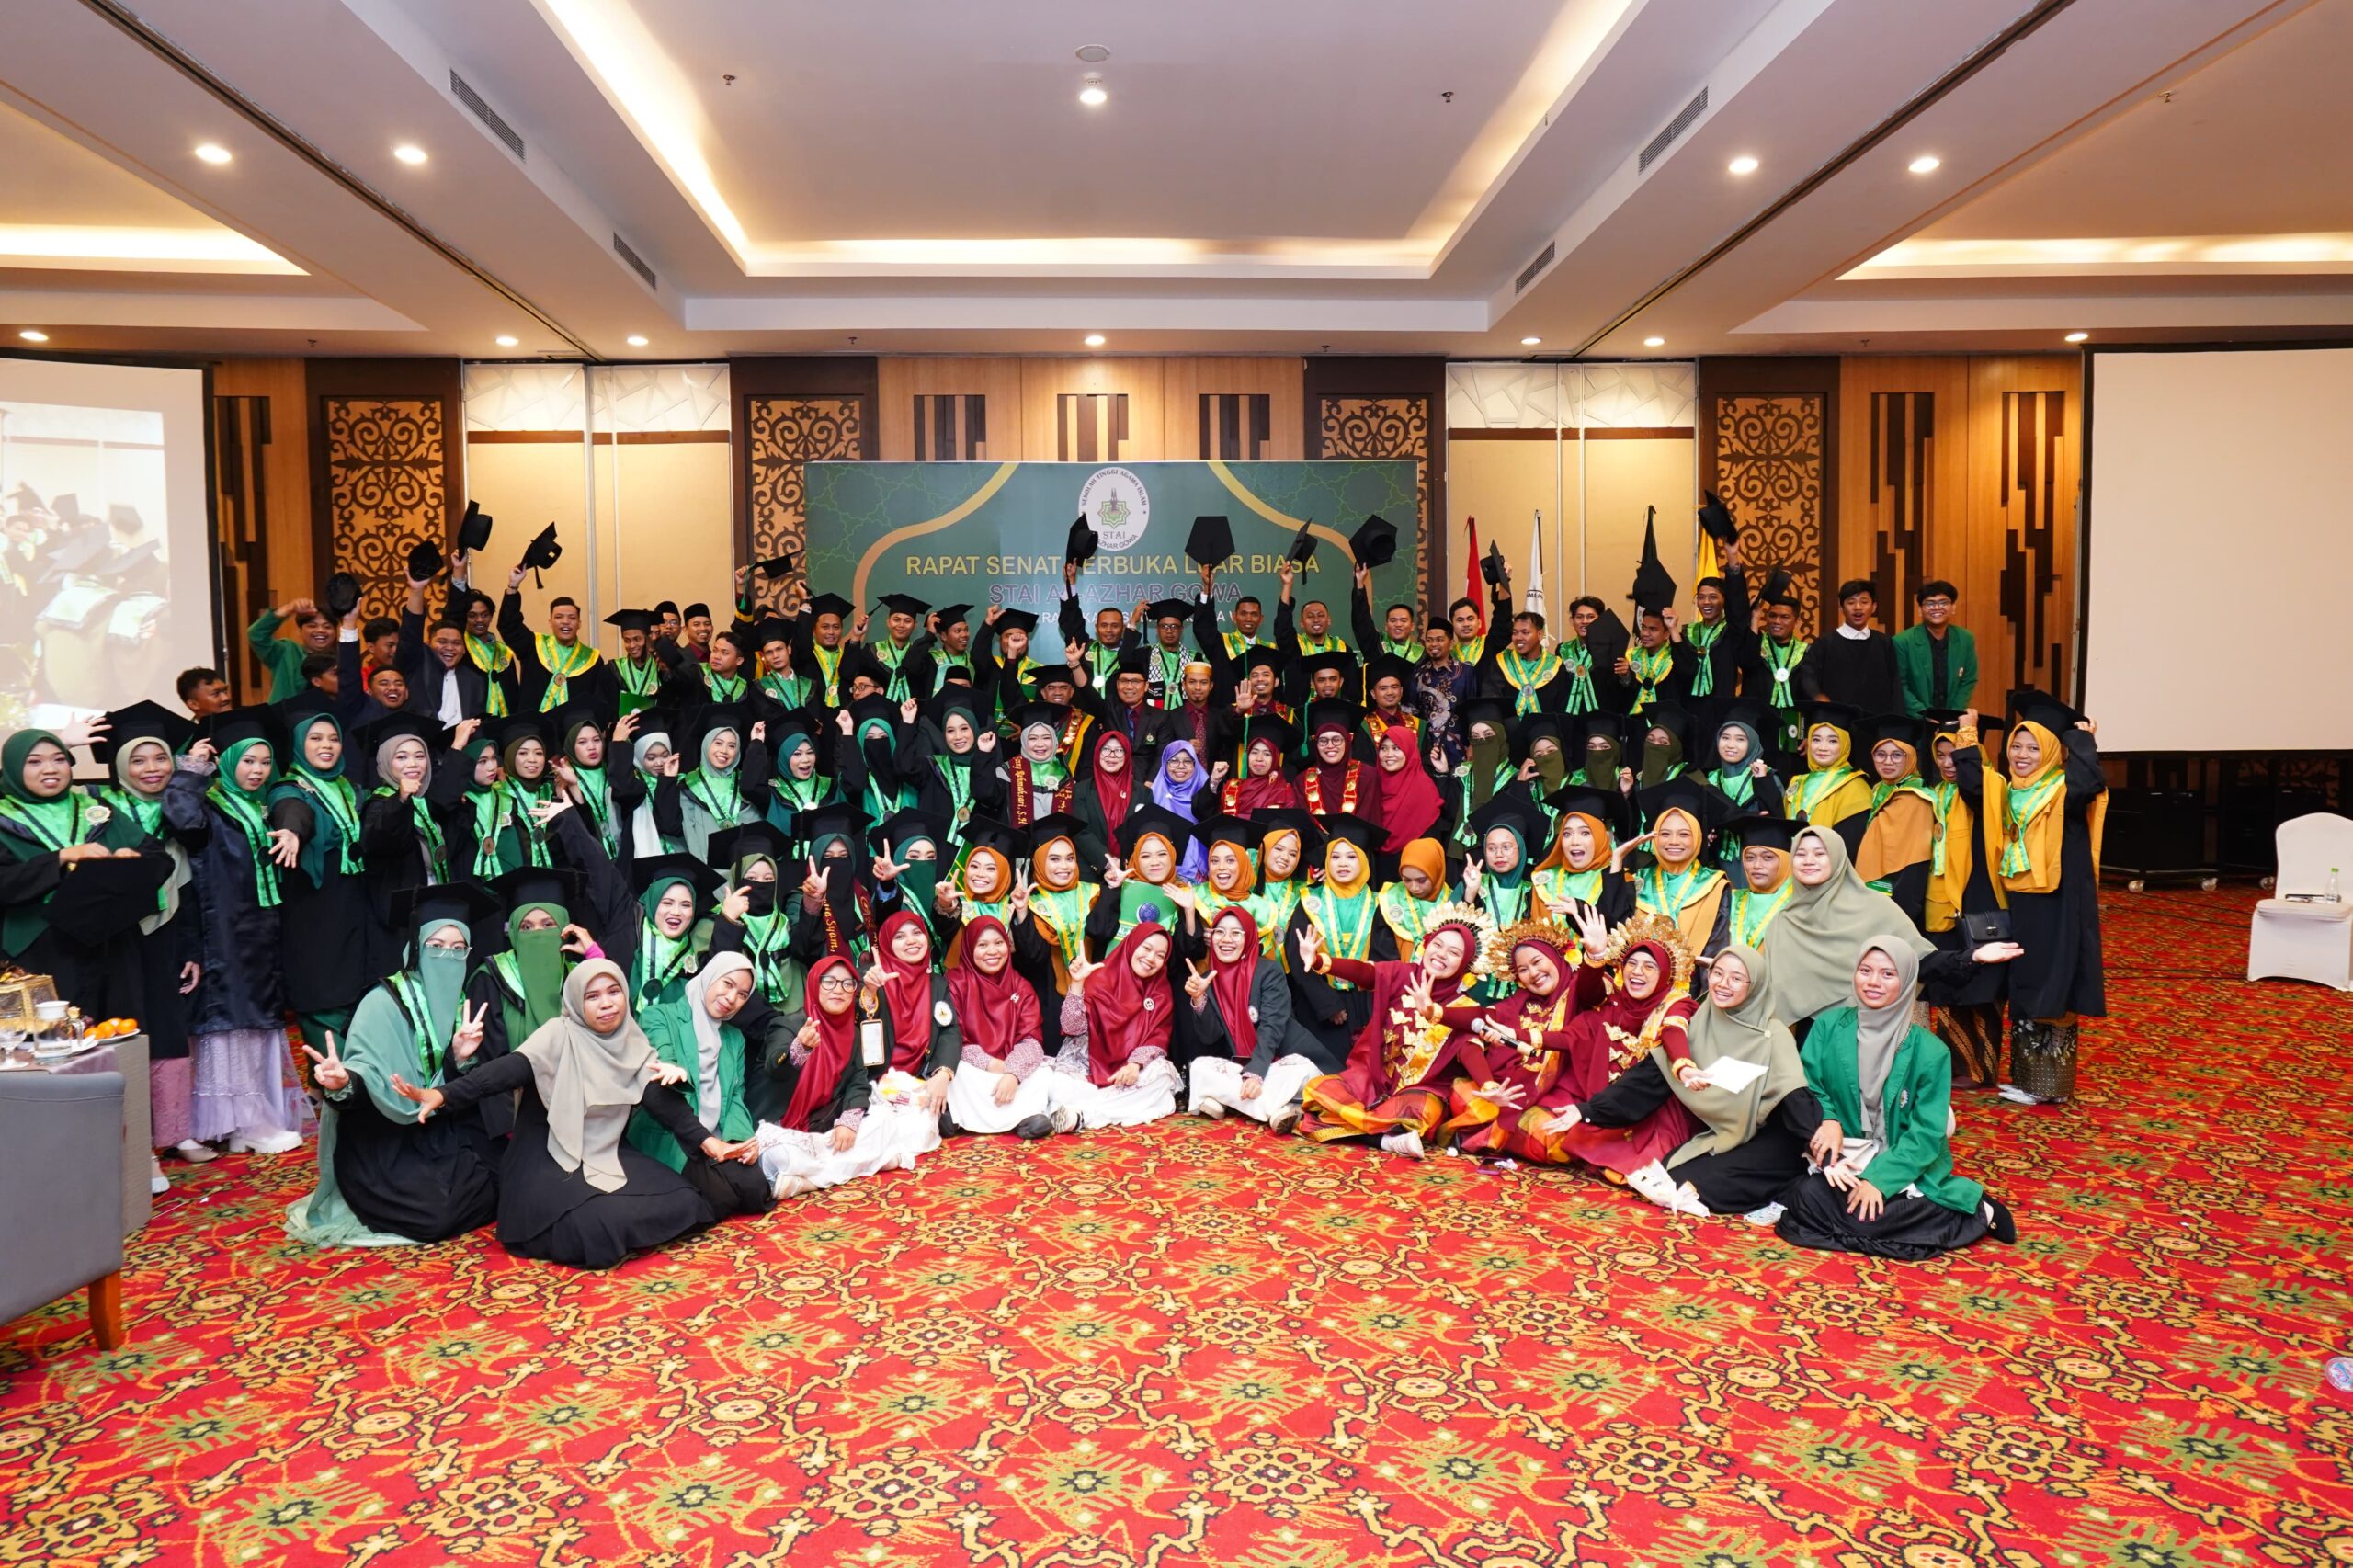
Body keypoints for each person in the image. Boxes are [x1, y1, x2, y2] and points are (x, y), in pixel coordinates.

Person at [392, 960, 723, 1269]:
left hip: (607, 1151)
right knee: (600, 1225)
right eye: (592, 996)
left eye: (614, 992)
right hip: (546, 1156)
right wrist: (445, 1094)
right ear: (576, 1001)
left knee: (686, 1202)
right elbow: (510, 1069)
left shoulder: (632, 1042)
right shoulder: (558, 1033)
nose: (606, 1004)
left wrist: (708, 1142)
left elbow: (659, 1099)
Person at [285, 885, 505, 1246]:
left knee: (508, 1179)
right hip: (385, 1139)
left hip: (439, 1127)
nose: (447, 957)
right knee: (436, 1215)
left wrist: (458, 1058)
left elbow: (453, 1086)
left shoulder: (462, 1000)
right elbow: (364, 1075)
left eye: (457, 949)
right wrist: (342, 1083)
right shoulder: (382, 1002)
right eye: (436, 946)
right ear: (416, 949)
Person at [1775, 937, 2017, 1259]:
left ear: (1907, 982)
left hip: (1904, 1162)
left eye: (1888, 974)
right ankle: (1891, 1228)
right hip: (1850, 1155)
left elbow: (1926, 1134)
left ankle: (1975, 1212)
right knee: (1805, 1196)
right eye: (1865, 971)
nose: (1873, 982)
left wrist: (1878, 1181)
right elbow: (1810, 1085)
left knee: (1859, 1216)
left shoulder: (1931, 1052)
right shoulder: (1828, 1027)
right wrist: (1829, 1119)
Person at [1574, 944, 1813, 1217]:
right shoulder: (1701, 1021)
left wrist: (1819, 1146)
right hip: (1721, 1132)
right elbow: (1649, 1078)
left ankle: (1791, 1186)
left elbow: (1794, 1095)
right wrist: (1586, 1111)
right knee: (1673, 1179)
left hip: (1768, 1135)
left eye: (1736, 978)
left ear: (1755, 985)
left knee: (1704, 1188)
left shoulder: (1773, 1034)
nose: (1723, 984)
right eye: (1717, 973)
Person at [1950, 693, 2107, 1104]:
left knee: (2052, 986)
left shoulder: (2063, 790)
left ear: (2053, 751)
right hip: (2019, 897)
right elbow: (1973, 786)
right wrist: (1968, 736)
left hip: (2057, 902)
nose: (2022, 755)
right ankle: (2027, 1080)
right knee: (2026, 983)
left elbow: (2089, 783)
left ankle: (2048, 1086)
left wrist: (2083, 740)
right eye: (2017, 746)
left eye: (2034, 748)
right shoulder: (2009, 791)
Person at [166, 711, 308, 1153]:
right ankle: (244, 1122)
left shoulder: (257, 808)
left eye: (264, 762)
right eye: (247, 761)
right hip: (222, 929)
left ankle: (245, 1121)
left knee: (253, 1027)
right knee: (231, 1026)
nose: (257, 770)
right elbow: (182, 822)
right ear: (226, 762)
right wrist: (192, 770)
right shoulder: (211, 807)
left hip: (257, 931)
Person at [1292, 901, 1493, 1153]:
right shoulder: (1403, 974)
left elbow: (1469, 1050)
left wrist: (1488, 1085)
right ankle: (1386, 1140)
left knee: (1422, 1112)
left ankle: (1344, 1124)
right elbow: (1366, 972)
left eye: (1454, 952)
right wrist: (1320, 960)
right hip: (1372, 1080)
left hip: (1418, 1092)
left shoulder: (1466, 1007)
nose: (1442, 954)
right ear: (1426, 944)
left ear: (1465, 964)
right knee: (1319, 1089)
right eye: (1437, 945)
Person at [755, 953, 941, 1196]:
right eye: (829, 982)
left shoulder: (851, 1032)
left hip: (822, 1124)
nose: (838, 990)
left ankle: (810, 1182)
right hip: (784, 1126)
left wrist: (850, 1122)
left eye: (847, 983)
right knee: (779, 1156)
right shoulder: (788, 1025)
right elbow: (775, 1067)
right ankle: (869, 1161)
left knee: (883, 1117)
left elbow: (858, 1080)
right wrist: (799, 1049)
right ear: (814, 985)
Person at [629, 951, 776, 1219]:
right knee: (720, 1198)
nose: (731, 998)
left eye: (742, 995)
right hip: (676, 1134)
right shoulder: (659, 1016)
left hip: (718, 1134)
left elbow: (736, 1095)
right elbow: (662, 1058)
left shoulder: (734, 1038)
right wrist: (672, 1066)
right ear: (709, 977)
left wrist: (743, 1142)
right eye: (727, 984)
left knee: (755, 1189)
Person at [941, 915, 1084, 1137]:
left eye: (999, 943)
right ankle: (960, 1116)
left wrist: (1013, 1074)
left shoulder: (1021, 985)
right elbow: (952, 1036)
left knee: (1045, 1071)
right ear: (969, 948)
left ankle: (1025, 1119)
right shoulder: (954, 983)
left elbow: (1031, 1039)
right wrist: (991, 1065)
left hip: (1012, 1067)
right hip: (975, 1070)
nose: (992, 951)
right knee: (954, 1070)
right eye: (982, 945)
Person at [1052, 919, 1185, 1127]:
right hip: (1087, 1066)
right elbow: (1072, 1028)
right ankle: (1113, 1107)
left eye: (1160, 956)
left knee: (1163, 1073)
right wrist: (1077, 984)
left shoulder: (1160, 991)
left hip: (1131, 1072)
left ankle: (1082, 1115)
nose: (1151, 959)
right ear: (1132, 944)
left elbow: (1157, 1038)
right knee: (1057, 1084)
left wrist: (1134, 1065)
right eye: (1146, 948)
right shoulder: (1100, 977)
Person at [1181, 905, 1303, 1127]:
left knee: (1301, 1069)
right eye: (1220, 932)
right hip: (1238, 1066)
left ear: (1249, 938)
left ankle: (1230, 1102)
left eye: (1236, 933)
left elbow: (1272, 1027)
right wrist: (1199, 999)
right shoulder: (1207, 979)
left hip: (1275, 1061)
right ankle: (1279, 1108)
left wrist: (1256, 1073)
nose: (1226, 939)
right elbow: (1210, 1037)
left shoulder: (1268, 971)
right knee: (1199, 1066)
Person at [1797, 579, 1900, 713]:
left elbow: (1895, 686)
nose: (1858, 607)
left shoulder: (1884, 643)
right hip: (1836, 720)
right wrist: (1818, 696)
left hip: (1875, 721)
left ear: (1874, 607)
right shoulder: (1825, 643)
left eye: (1864, 602)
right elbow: (1808, 676)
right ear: (1841, 608)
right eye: (1851, 602)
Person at [1893, 581, 1977, 717]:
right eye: (1930, 603)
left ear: (1953, 607)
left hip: (1952, 718)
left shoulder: (1965, 638)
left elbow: (1968, 679)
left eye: (1944, 603)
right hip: (1916, 719)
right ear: (1920, 610)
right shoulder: (1902, 641)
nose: (1937, 608)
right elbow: (1900, 684)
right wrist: (1924, 715)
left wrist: (1953, 714)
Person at [246, 597, 336, 701]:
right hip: (287, 711)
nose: (320, 630)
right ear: (300, 631)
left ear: (335, 632)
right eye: (312, 626)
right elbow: (256, 635)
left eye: (327, 627)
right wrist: (288, 609)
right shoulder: (286, 652)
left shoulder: (342, 660)